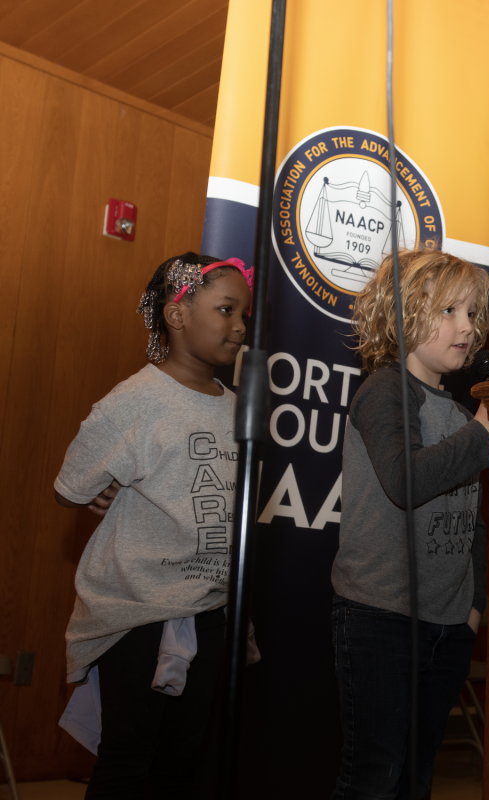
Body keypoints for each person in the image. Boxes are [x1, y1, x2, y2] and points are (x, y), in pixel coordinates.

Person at [54, 252, 253, 798]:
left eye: (245, 315)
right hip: (139, 612)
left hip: (209, 609)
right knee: (129, 757)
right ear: (177, 314)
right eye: (226, 309)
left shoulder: (240, 408)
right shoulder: (135, 401)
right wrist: (103, 489)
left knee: (181, 759)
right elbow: (70, 486)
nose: (239, 326)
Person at [331, 249, 489, 800]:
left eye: (472, 314)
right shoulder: (385, 390)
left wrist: (474, 606)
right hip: (382, 618)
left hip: (448, 626)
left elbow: (470, 517)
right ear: (400, 315)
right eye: (450, 311)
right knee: (373, 778)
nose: (467, 328)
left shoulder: (458, 409)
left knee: (416, 779)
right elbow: (405, 482)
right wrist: (482, 436)